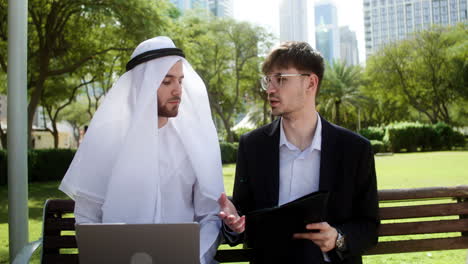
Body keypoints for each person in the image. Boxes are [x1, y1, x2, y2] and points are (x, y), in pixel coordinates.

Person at [59, 36, 224, 264]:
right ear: (141, 86)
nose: (178, 90)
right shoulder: (107, 142)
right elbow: (87, 216)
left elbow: (210, 215)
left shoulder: (193, 143)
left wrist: (197, 258)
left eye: (180, 81)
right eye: (167, 82)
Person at [218, 41, 379, 264]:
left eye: (281, 79)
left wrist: (338, 238)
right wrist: (235, 223)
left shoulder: (354, 149)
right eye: (268, 80)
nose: (270, 89)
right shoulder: (252, 146)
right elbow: (246, 218)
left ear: (310, 83)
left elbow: (369, 225)